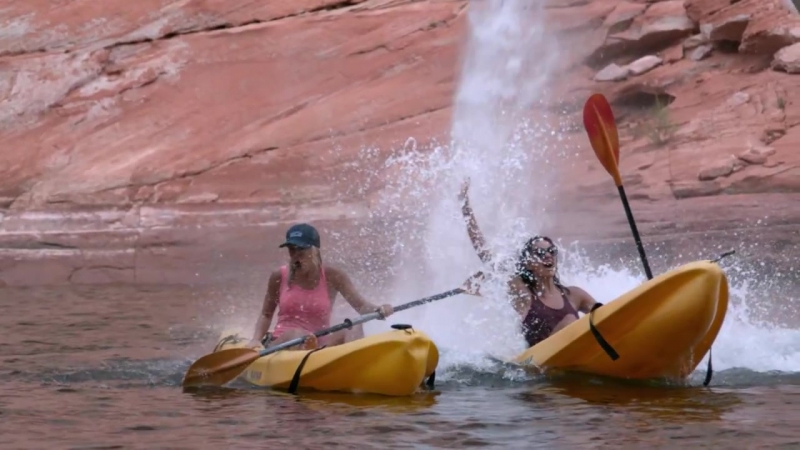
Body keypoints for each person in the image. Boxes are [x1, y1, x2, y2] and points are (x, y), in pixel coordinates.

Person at [457, 178, 601, 347]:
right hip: (539, 369)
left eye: (551, 251)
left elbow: (608, 318)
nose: (548, 256)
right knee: (569, 321)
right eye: (540, 253)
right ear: (528, 263)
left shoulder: (575, 295)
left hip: (575, 351)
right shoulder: (522, 294)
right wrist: (465, 206)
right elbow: (486, 256)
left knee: (574, 322)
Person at [246, 223, 394, 350]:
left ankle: (355, 365)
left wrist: (379, 310)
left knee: (353, 326)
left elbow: (361, 306)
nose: (296, 255)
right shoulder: (278, 276)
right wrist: (256, 339)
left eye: (301, 250)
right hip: (283, 343)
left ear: (315, 250)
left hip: (320, 345)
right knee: (298, 334)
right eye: (292, 249)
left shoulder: (333, 276)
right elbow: (266, 314)